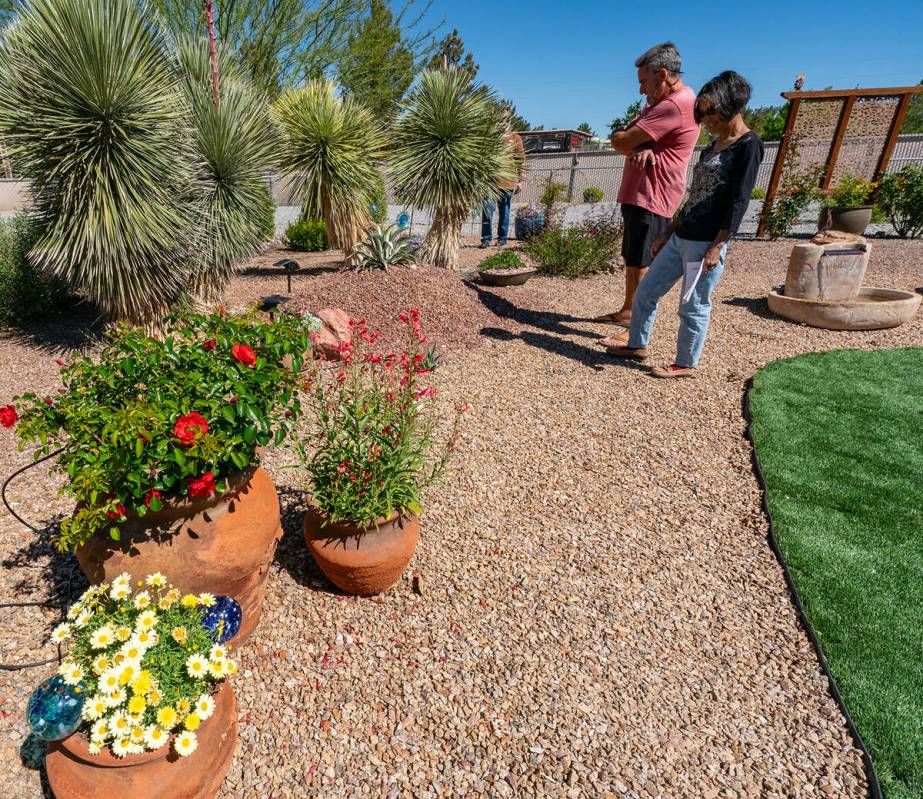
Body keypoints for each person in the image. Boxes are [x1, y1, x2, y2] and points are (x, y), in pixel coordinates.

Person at [604, 71, 765, 378]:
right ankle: (637, 344)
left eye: (709, 111)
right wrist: (668, 232)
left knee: (692, 304)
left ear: (731, 104)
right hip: (681, 236)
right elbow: (695, 197)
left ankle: (685, 362)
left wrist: (718, 244)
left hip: (705, 243)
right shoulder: (711, 147)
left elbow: (738, 200)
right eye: (700, 112)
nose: (704, 119)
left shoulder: (748, 145)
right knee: (646, 291)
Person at [597, 42, 698, 327]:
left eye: (644, 82)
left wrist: (630, 141)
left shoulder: (675, 105)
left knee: (643, 262)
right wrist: (632, 142)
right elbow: (621, 137)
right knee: (633, 257)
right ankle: (629, 311)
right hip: (640, 193)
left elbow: (623, 140)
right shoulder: (656, 105)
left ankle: (636, 327)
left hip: (653, 194)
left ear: (663, 74)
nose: (641, 90)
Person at [480, 115, 525, 248]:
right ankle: (486, 238)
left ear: (509, 120)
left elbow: (521, 160)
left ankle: (502, 238)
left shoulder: (515, 137)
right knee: (487, 211)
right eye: (500, 118)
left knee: (504, 211)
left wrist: (521, 180)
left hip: (507, 181)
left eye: (505, 119)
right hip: (489, 182)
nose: (502, 121)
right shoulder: (490, 137)